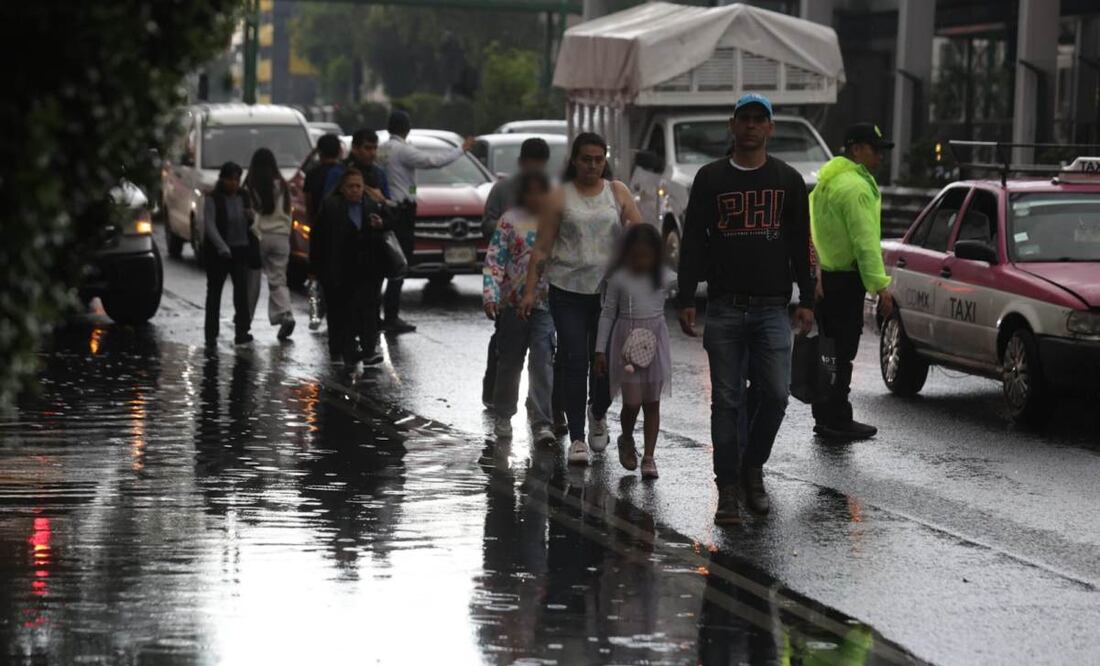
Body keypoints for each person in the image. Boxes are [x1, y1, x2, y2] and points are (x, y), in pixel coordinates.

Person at [676, 94, 815, 523]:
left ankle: (753, 467)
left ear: (770, 128)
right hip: (724, 306)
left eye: (760, 120)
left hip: (773, 307)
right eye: (745, 119)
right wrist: (686, 297)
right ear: (732, 126)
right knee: (727, 401)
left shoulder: (788, 181)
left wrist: (807, 299)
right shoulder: (711, 179)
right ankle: (728, 490)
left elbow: (799, 243)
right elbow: (694, 240)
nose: (752, 126)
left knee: (774, 395)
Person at [520, 132, 643, 466]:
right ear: (574, 160)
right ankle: (576, 437)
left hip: (609, 294)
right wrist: (531, 290)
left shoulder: (617, 192)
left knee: (604, 360)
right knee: (574, 359)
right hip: (568, 291)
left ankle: (597, 410)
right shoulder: (560, 197)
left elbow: (639, 230)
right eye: (586, 159)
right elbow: (542, 247)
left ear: (605, 160)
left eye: (598, 159)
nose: (592, 165)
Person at [809, 122, 895, 441]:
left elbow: (815, 231)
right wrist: (880, 286)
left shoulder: (827, 183)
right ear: (856, 148)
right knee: (843, 351)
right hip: (847, 281)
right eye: (875, 149)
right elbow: (865, 243)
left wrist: (816, 270)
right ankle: (838, 417)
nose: (880, 157)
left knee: (828, 350)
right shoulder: (857, 188)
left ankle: (824, 414)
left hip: (827, 279)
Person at [378, 110, 476, 334]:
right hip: (401, 212)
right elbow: (433, 161)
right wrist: (461, 150)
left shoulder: (382, 150)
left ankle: (379, 315)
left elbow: (407, 181)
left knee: (385, 264)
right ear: (407, 128)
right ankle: (391, 317)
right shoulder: (403, 150)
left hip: (387, 209)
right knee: (399, 265)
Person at [482, 171, 557, 446]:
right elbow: (494, 261)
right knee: (510, 361)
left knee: (542, 361)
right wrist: (491, 295)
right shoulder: (508, 222)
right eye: (531, 192)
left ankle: (542, 422)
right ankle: (503, 414)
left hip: (545, 304)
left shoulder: (555, 222)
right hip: (512, 305)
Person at [594, 224, 672, 480]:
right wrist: (600, 350)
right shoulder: (619, 279)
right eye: (635, 256)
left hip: (654, 345)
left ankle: (649, 456)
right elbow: (607, 314)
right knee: (632, 402)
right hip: (626, 347)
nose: (641, 262)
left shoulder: (664, 276)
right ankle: (626, 438)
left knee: (652, 402)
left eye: (646, 256)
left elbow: (692, 285)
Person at [310, 168, 391, 365]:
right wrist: (315, 268)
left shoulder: (371, 206)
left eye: (358, 186)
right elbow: (318, 239)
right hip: (338, 270)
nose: (355, 190)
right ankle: (341, 350)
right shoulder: (331, 207)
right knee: (340, 312)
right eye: (350, 186)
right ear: (342, 188)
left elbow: (389, 225)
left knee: (369, 309)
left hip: (367, 269)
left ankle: (369, 349)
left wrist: (381, 223)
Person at [203, 161, 257, 346]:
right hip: (219, 253)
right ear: (223, 179)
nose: (234, 183)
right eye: (230, 179)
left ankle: (242, 331)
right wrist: (221, 246)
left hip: (241, 249)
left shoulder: (244, 196)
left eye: (237, 179)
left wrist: (251, 217)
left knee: (241, 293)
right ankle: (211, 333)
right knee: (214, 293)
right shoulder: (213, 198)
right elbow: (209, 225)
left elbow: (252, 220)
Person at [244, 147, 296, 340]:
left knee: (253, 281)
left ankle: (245, 320)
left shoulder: (252, 184)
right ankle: (285, 314)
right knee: (278, 280)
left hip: (259, 236)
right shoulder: (282, 185)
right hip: (281, 237)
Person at [303, 133, 345, 331]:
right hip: (339, 231)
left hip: (319, 229)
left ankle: (316, 313)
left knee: (316, 273)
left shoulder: (312, 174)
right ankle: (336, 313)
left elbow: (308, 203)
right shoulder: (344, 172)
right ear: (339, 150)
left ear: (319, 152)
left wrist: (313, 224)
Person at [347, 128, 391, 204]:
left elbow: (387, 201)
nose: (373, 153)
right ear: (355, 148)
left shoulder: (379, 174)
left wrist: (382, 200)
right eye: (368, 148)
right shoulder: (342, 172)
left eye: (375, 148)